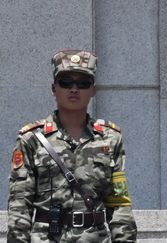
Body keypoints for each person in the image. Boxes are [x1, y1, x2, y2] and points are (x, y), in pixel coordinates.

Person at [7, 50, 137, 242]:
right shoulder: (32, 139)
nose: (74, 89)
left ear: (93, 90)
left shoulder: (109, 138)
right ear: (54, 89)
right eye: (66, 82)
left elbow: (118, 202)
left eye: (83, 83)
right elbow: (20, 204)